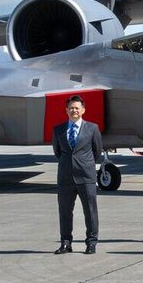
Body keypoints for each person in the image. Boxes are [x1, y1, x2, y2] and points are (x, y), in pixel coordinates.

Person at [52, 95, 103, 254]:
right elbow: (58, 152)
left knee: (90, 211)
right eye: (71, 108)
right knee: (65, 211)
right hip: (65, 177)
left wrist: (84, 164)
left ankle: (91, 242)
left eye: (77, 108)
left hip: (86, 176)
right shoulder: (58, 129)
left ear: (83, 110)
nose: (74, 110)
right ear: (66, 110)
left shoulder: (92, 128)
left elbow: (97, 151)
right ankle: (66, 243)